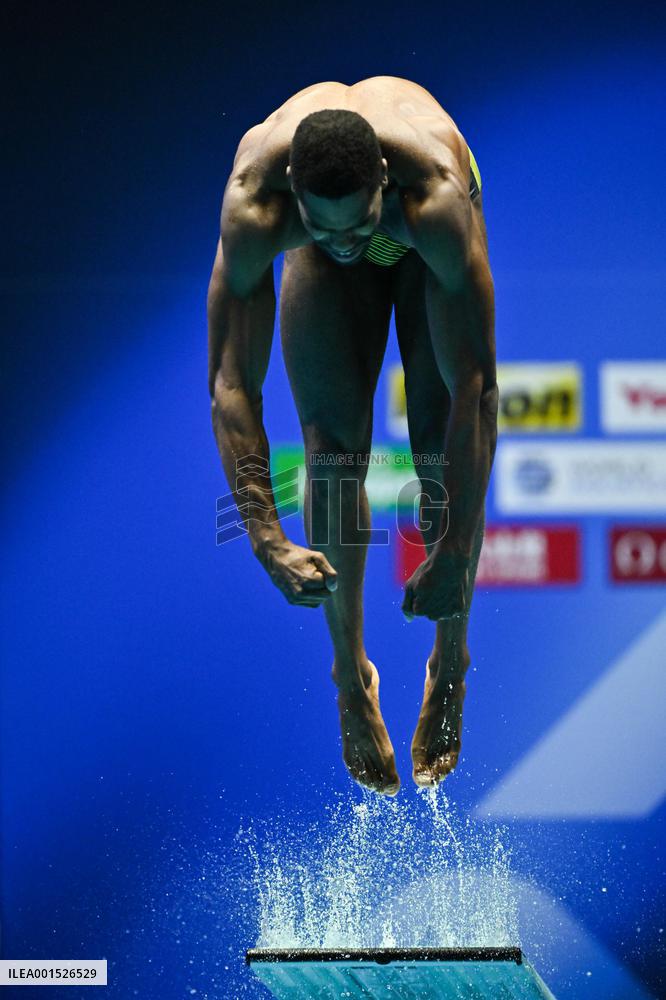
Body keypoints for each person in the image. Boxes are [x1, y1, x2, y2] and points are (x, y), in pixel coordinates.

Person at [207, 76, 497, 796]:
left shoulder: (433, 197)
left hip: (417, 241)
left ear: (383, 182)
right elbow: (232, 385)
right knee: (332, 455)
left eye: (355, 226)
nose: (344, 244)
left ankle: (451, 662)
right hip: (339, 226)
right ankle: (349, 678)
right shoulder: (256, 203)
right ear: (294, 192)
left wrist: (456, 551)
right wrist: (267, 540)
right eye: (325, 228)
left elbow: (478, 390)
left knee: (435, 442)